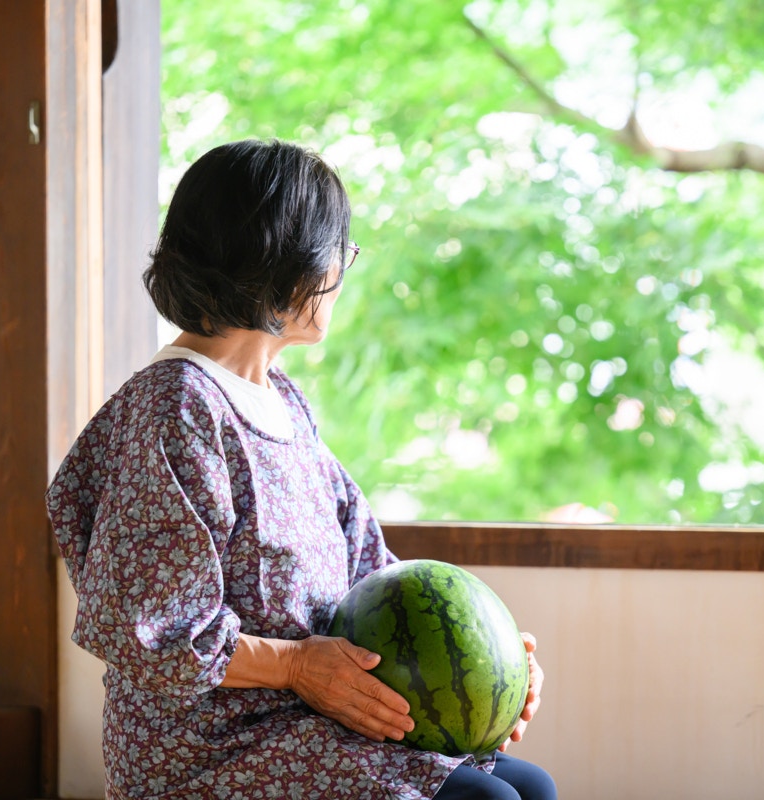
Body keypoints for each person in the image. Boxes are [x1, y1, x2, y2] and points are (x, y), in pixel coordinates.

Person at [46, 138, 556, 800]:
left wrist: (490, 661)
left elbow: (372, 577)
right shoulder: (173, 407)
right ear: (287, 265)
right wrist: (296, 668)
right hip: (210, 745)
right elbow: (151, 629)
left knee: (530, 786)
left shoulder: (282, 400)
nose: (344, 270)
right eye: (340, 252)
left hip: (305, 718)